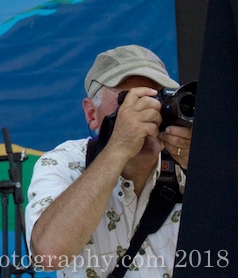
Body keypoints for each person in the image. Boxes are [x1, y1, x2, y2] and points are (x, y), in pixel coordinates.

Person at [25, 45, 192, 277]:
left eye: (156, 99)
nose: (147, 112)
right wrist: (119, 148)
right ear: (91, 113)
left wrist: (206, 170)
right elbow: (48, 256)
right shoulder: (65, 162)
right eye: (129, 100)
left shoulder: (188, 162)